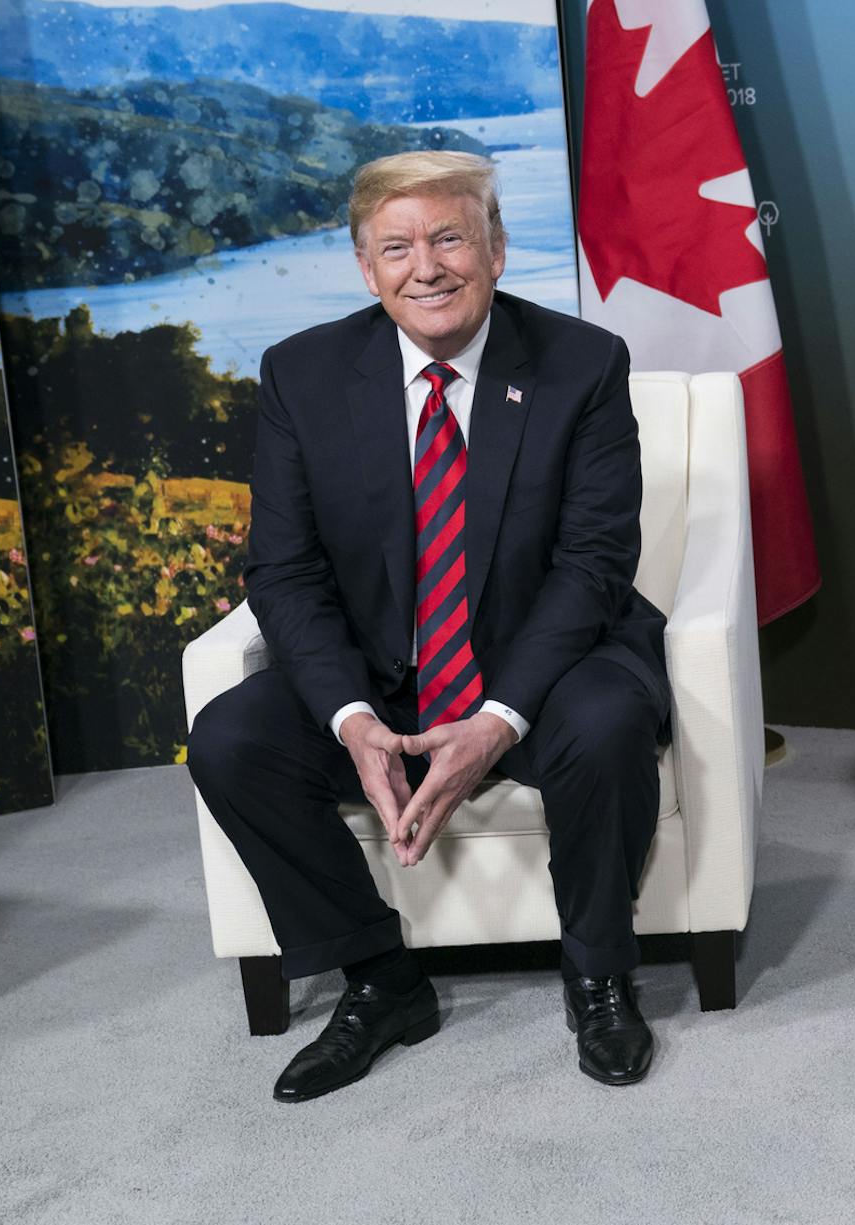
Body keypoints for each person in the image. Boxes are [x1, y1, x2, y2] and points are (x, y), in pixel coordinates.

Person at [187, 150, 671, 1101]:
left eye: (451, 237)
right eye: (397, 247)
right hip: (386, 672)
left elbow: (593, 564)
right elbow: (283, 572)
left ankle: (600, 977)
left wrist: (498, 718)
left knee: (610, 721)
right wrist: (352, 718)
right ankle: (379, 977)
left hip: (548, 659)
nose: (428, 267)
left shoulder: (582, 364)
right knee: (231, 740)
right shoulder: (303, 374)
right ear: (367, 270)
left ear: (496, 248)